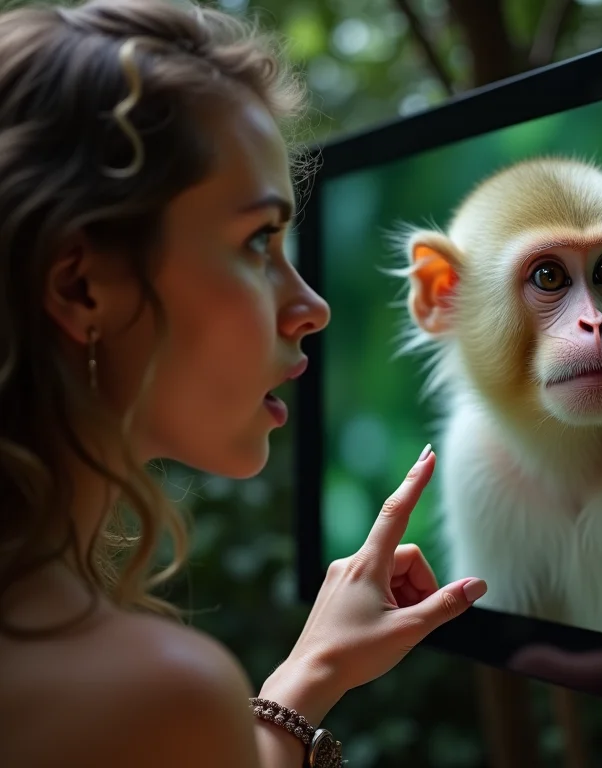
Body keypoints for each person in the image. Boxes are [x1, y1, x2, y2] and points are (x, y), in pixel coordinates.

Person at [0, 1, 489, 766]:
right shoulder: (153, 698)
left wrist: (309, 674)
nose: (313, 307)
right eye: (258, 241)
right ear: (81, 285)